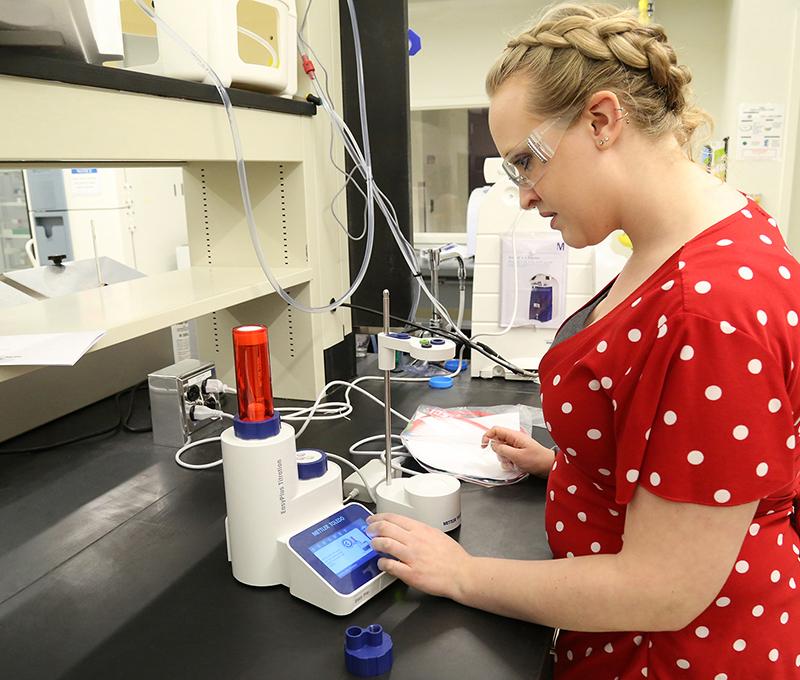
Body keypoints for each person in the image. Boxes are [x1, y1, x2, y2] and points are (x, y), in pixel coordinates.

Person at [366, 3, 800, 678]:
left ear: (601, 121)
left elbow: (663, 587)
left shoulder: (709, 309)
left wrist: (463, 574)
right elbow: (685, 446)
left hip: (677, 653)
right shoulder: (681, 242)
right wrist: (574, 464)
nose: (524, 195)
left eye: (524, 162)